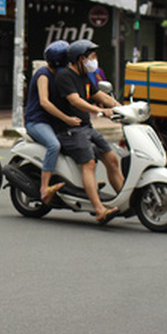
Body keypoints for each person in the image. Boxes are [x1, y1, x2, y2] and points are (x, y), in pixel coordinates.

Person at [50, 39, 123, 224]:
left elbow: (98, 95)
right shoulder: (65, 76)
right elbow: (75, 100)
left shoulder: (85, 76)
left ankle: (125, 202)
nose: (95, 60)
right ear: (81, 59)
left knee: (112, 159)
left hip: (85, 127)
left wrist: (123, 109)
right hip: (69, 130)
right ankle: (99, 210)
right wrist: (99, 110)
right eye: (92, 57)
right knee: (89, 163)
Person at [25, 41, 81, 205]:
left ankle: (78, 183)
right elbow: (44, 102)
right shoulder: (43, 74)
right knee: (54, 145)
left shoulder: (60, 75)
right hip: (36, 121)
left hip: (50, 122)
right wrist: (66, 118)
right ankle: (44, 188)